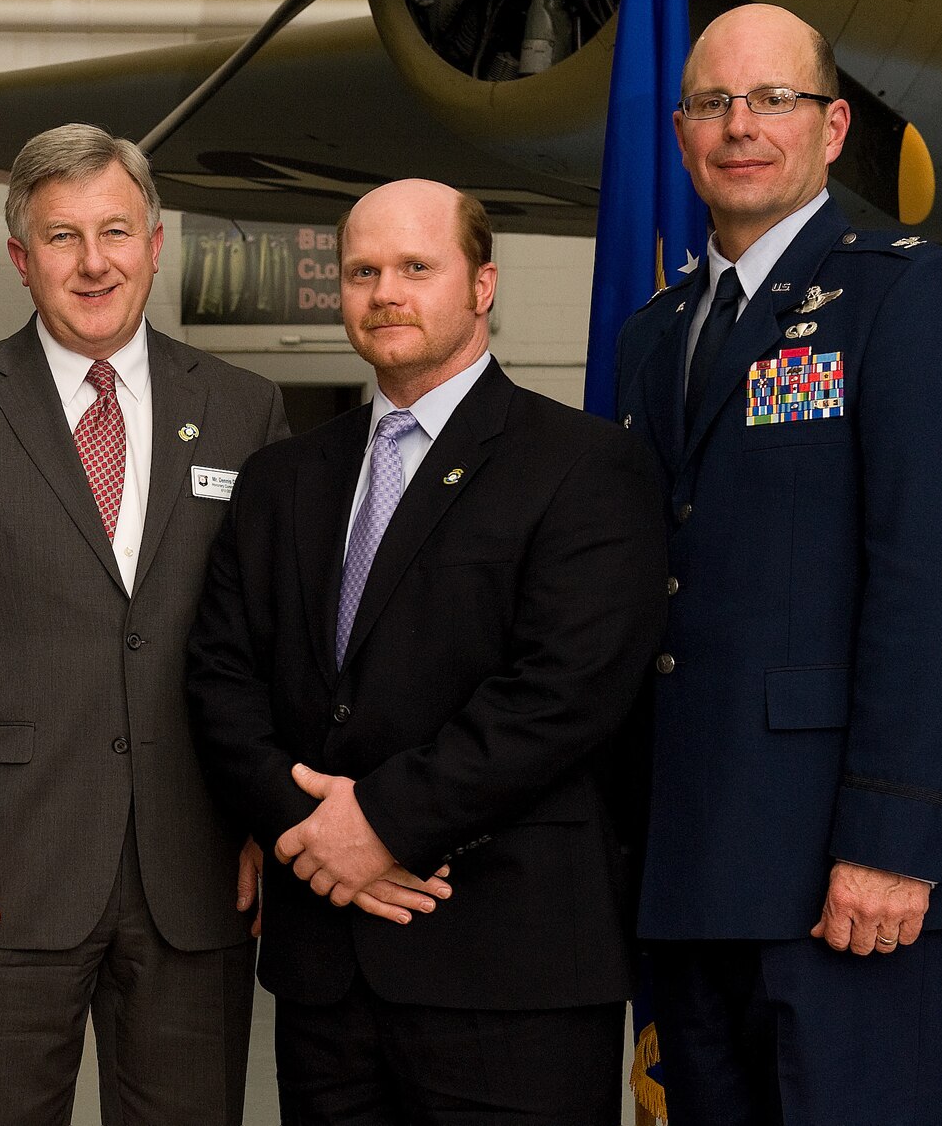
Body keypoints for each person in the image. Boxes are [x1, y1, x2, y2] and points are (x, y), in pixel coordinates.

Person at [185, 178, 669, 1125]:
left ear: (482, 285)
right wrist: (307, 829)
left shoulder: (582, 464)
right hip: (327, 969)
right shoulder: (284, 477)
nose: (385, 292)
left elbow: (563, 693)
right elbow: (220, 676)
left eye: (416, 266)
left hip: (511, 966)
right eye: (363, 270)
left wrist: (380, 822)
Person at [614, 3, 942, 1125]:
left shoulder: (908, 295)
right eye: (710, 103)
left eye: (771, 100)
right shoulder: (655, 331)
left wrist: (890, 840)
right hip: (692, 869)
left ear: (832, 127)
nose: (739, 126)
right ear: (682, 130)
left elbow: (939, 587)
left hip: (849, 875)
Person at [0, 123, 289, 1126]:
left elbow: (272, 639)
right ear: (21, 260)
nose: (93, 261)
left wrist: (266, 819)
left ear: (155, 241)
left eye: (115, 230)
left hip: (197, 862)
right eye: (62, 238)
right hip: (5, 864)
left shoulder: (244, 410)